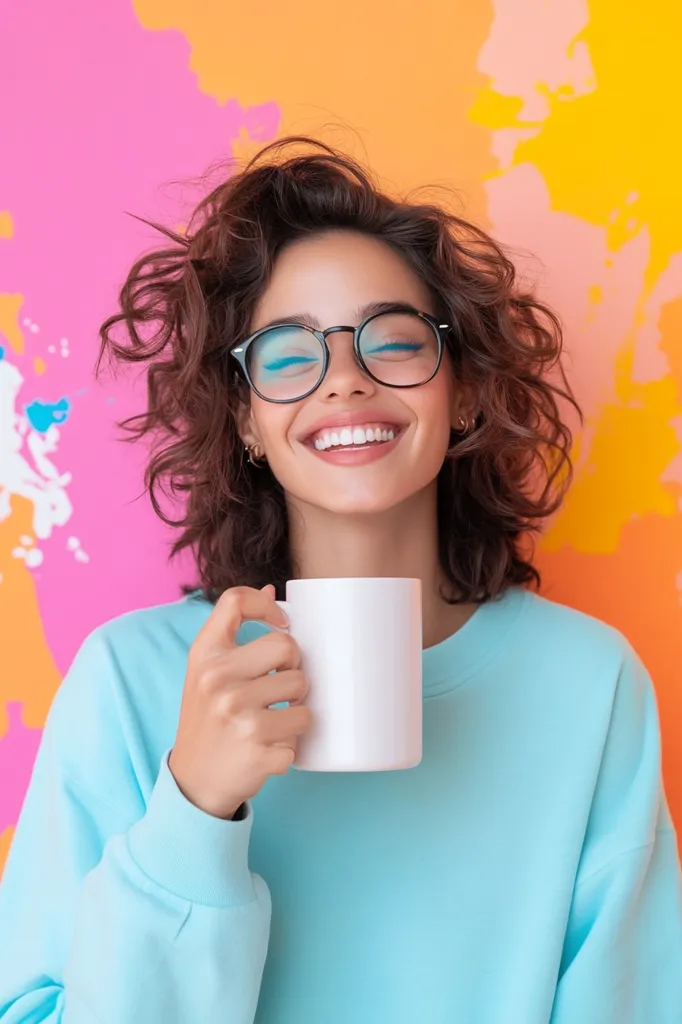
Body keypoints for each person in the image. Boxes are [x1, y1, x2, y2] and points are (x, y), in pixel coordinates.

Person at [0, 137, 680, 1024]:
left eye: (393, 343)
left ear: (463, 390)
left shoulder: (589, 683)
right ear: (245, 419)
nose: (345, 382)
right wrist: (195, 807)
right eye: (287, 357)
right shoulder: (132, 680)